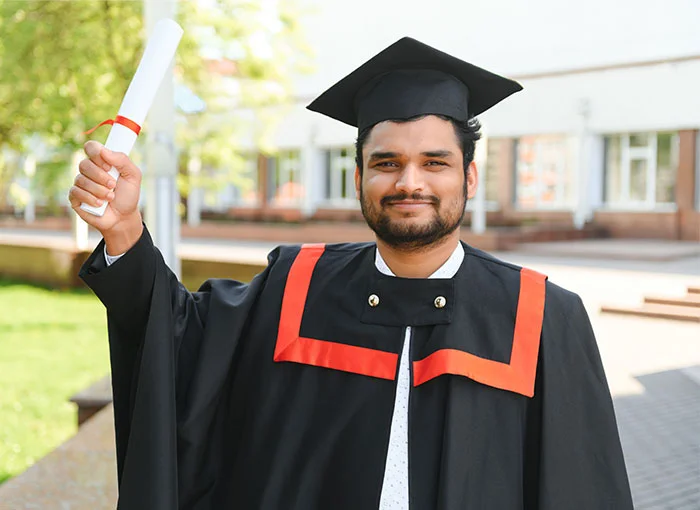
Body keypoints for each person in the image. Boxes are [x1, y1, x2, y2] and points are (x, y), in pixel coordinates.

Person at [69, 37, 633, 510]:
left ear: (470, 178)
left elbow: (582, 487)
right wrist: (125, 234)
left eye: (435, 162)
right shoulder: (295, 285)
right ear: (359, 175)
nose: (409, 182)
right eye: (386, 163)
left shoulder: (540, 316)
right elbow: (182, 346)